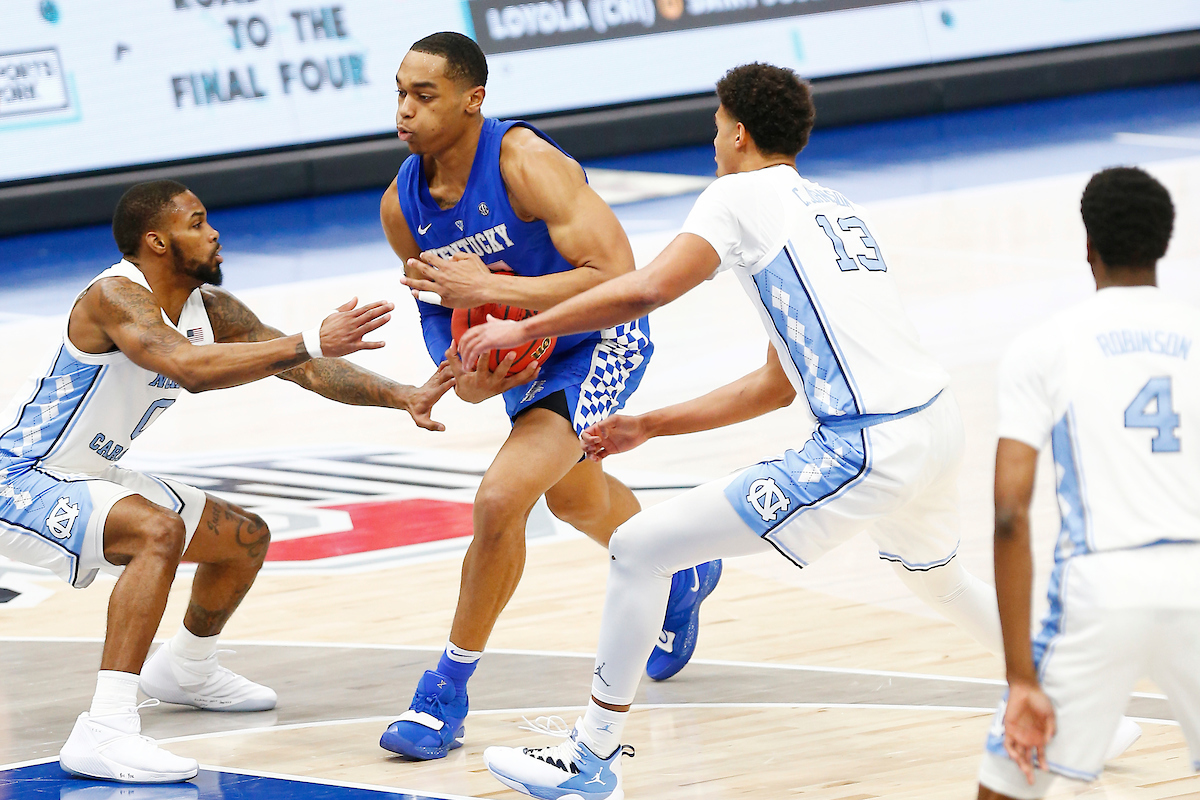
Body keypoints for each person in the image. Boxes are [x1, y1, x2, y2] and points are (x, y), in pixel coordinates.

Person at [460, 62, 1030, 800]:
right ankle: (1067, 706)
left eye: (715, 125)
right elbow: (774, 383)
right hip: (935, 424)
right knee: (940, 577)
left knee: (638, 548)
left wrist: (525, 324)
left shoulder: (736, 196)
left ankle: (590, 759)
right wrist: (650, 425)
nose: (714, 140)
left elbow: (647, 288)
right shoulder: (829, 205)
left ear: (737, 131)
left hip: (868, 445)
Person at [0, 180, 454, 783]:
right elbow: (186, 368)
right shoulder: (114, 295)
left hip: (90, 472)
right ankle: (105, 730)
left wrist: (405, 395)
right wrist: (308, 339)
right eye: (197, 221)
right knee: (155, 532)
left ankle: (185, 667)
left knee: (243, 539)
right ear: (156, 241)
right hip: (23, 476)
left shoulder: (211, 308)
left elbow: (303, 367)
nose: (213, 232)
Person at [377, 31, 721, 761]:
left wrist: (500, 294)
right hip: (524, 355)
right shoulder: (401, 207)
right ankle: (682, 569)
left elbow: (621, 274)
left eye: (424, 95)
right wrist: (465, 377)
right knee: (573, 499)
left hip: (600, 339)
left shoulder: (527, 164)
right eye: (400, 93)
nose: (404, 110)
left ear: (474, 101)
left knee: (502, 499)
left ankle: (444, 693)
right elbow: (444, 319)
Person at [976, 168, 1199, 798]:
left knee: (1006, 787)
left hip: (1100, 590)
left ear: (1088, 246)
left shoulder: (1044, 346)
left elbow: (1009, 516)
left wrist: (1021, 677)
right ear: (1164, 241)